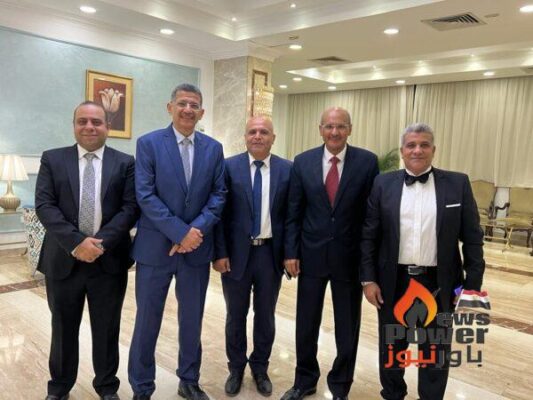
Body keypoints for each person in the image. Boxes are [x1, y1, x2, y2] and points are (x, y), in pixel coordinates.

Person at [359, 123, 486, 400]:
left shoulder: (457, 184)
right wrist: (368, 279)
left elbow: (473, 239)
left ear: (433, 150)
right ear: (402, 151)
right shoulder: (383, 184)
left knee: (435, 351)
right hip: (394, 282)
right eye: (411, 145)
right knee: (392, 348)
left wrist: (471, 287)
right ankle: (393, 394)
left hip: (440, 283)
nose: (417, 150)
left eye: (424, 145)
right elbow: (369, 236)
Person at [128, 83, 226, 400]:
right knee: (147, 320)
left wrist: (194, 232)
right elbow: (145, 195)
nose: (188, 110)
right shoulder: (148, 144)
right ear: (169, 107)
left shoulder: (214, 149)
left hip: (195, 251)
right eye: (182, 103)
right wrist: (180, 232)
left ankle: (189, 380)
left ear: (202, 112)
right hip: (154, 250)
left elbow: (218, 195)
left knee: (192, 320)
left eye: (194, 105)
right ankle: (142, 386)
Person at [35, 101, 139, 400]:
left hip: (109, 261)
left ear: (108, 127)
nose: (89, 127)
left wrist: (98, 244)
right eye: (83, 121)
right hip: (63, 260)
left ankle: (106, 388)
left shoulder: (125, 162)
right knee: (62, 328)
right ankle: (59, 388)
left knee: (107, 328)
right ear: (74, 125)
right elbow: (45, 205)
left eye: (96, 122)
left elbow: (130, 208)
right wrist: (77, 243)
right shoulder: (53, 159)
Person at [281, 107, 379, 400]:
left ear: (350, 129)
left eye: (340, 126)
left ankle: (340, 386)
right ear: (320, 129)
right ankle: (304, 380)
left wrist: (368, 264)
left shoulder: (367, 162)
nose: (334, 132)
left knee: (347, 327)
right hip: (310, 256)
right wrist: (290, 252)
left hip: (349, 259)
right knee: (306, 323)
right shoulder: (303, 162)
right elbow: (293, 212)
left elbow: (371, 217)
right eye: (329, 126)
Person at [213, 116, 292, 397]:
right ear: (245, 137)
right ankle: (236, 368)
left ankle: (260, 367)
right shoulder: (228, 167)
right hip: (235, 256)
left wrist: (290, 254)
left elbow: (291, 216)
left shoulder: (287, 169)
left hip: (270, 254)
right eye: (253, 132)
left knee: (265, 315)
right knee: (235, 315)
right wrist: (219, 252)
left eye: (264, 132)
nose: (258, 136)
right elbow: (218, 214)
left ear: (273, 137)